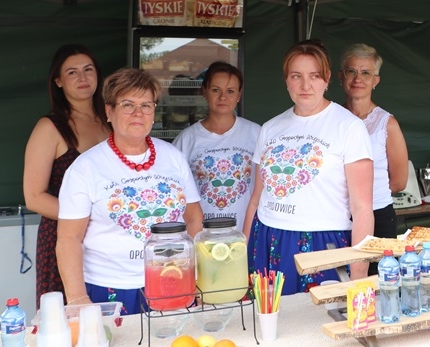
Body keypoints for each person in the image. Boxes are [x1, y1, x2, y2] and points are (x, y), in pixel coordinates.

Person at [56, 68, 204, 314]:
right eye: (128, 105)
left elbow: (194, 219)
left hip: (173, 280)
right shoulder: (85, 167)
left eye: (146, 105)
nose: (138, 113)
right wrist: (77, 298)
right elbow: (69, 239)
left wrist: (198, 277)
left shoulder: (174, 158)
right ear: (109, 111)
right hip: (111, 287)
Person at [243, 40, 374, 295]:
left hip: (323, 243)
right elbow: (255, 200)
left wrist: (358, 273)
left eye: (314, 76)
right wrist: (244, 254)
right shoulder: (270, 128)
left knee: (319, 316)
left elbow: (362, 209)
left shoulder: (349, 127)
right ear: (286, 80)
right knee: (270, 315)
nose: (305, 85)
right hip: (268, 237)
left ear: (327, 78)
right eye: (296, 76)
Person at [23, 43, 111, 306]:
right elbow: (34, 197)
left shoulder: (112, 121)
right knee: (68, 316)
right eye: (72, 72)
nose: (82, 77)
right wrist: (87, 219)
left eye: (88, 69)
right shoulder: (49, 127)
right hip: (64, 238)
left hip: (109, 237)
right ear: (59, 81)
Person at [173, 61, 260, 226]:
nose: (223, 97)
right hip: (201, 232)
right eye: (215, 90)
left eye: (230, 91)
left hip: (245, 231)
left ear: (239, 95)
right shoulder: (187, 139)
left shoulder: (256, 134)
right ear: (204, 91)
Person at [338, 43, 409, 242]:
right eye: (351, 71)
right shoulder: (332, 119)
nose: (358, 79)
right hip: (337, 215)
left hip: (378, 215)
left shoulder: (387, 124)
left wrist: (365, 197)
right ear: (341, 77)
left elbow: (399, 182)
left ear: (375, 80)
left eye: (366, 73)